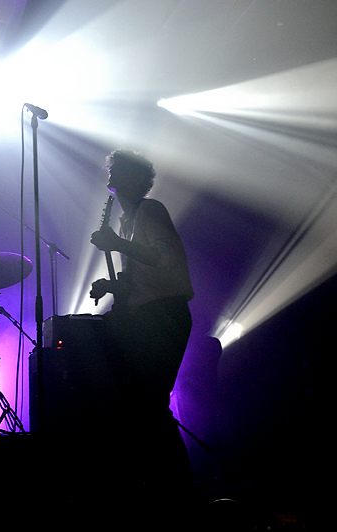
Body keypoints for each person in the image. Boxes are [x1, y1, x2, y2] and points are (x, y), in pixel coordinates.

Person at [89, 149, 195, 523]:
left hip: (164, 314)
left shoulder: (150, 212)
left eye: (117, 171)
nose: (110, 177)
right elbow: (141, 278)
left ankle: (180, 493)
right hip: (150, 314)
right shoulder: (127, 221)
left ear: (134, 178)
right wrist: (112, 286)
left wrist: (117, 245)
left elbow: (163, 259)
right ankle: (164, 488)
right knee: (144, 406)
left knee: (150, 404)